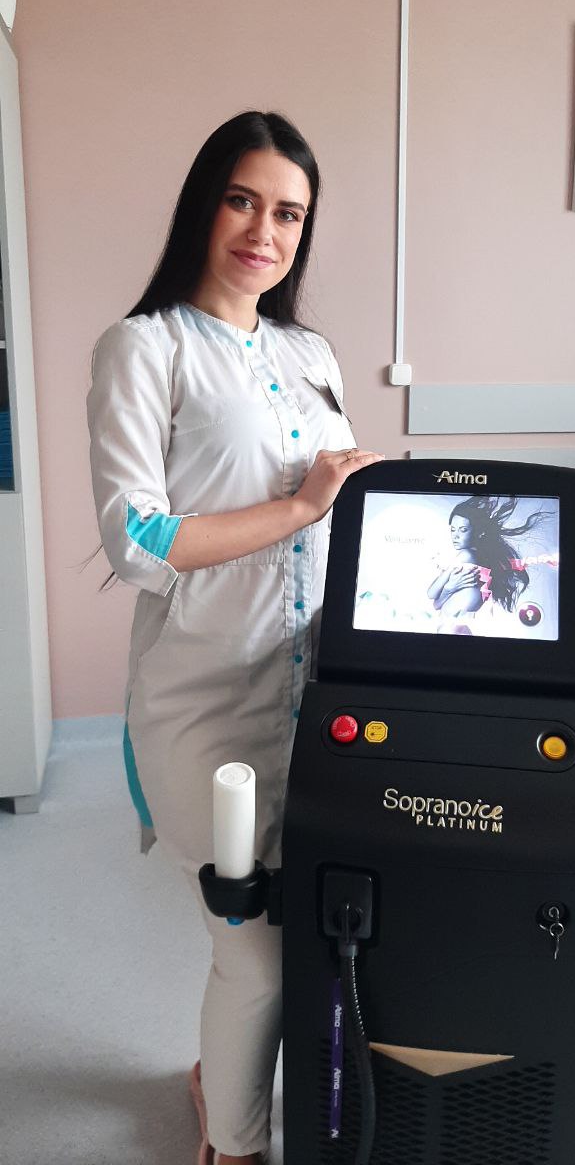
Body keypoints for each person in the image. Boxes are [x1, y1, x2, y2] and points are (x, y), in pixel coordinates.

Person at [86, 111, 383, 1165]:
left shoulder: (311, 353)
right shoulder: (144, 348)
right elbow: (139, 539)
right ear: (203, 206)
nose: (266, 230)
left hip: (321, 700)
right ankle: (238, 1144)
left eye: (289, 212)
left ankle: (222, 1080)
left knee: (301, 938)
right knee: (252, 957)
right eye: (243, 200)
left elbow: (342, 506)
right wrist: (299, 506)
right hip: (205, 707)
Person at [427, 496, 547, 631]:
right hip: (456, 627)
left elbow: (432, 596)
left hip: (450, 627)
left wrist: (449, 588)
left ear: (479, 532)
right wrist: (450, 588)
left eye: (463, 530)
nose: (455, 536)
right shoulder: (484, 562)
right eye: (453, 529)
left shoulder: (465, 556)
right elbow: (437, 604)